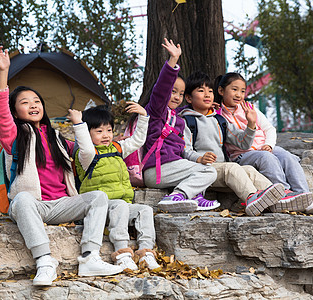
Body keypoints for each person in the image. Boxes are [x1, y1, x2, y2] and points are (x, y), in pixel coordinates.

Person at [0, 44, 122, 285]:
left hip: (62, 204)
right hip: (35, 205)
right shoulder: (14, 136)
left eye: (37, 101)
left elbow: (87, 154)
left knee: (99, 198)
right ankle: (44, 261)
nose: (33, 105)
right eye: (25, 102)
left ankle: (90, 257)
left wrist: (81, 125)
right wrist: (3, 72)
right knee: (21, 200)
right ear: (16, 112)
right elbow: (0, 114)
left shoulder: (58, 138)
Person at [180, 71, 291, 216]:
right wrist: (199, 158)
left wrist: (251, 125)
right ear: (188, 97)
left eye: (210, 91)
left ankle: (282, 198)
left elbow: (243, 143)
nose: (207, 94)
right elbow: (184, 150)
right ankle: (251, 199)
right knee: (232, 168)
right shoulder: (185, 121)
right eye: (201, 91)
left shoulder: (219, 120)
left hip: (223, 170)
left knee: (249, 171)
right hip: (204, 171)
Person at [214, 72, 313, 214]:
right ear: (221, 91)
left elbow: (269, 128)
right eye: (234, 89)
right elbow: (239, 142)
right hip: (243, 155)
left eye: (242, 91)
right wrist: (250, 123)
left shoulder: (250, 108)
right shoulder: (219, 115)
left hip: (263, 148)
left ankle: (305, 196)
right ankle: (284, 195)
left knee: (285, 155)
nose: (239, 94)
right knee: (266, 157)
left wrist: (269, 144)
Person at [72, 105, 160, 271]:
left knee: (145, 210)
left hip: (121, 208)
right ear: (88, 133)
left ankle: (146, 252)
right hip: (100, 210)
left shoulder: (117, 148)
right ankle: (122, 253)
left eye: (109, 130)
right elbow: (85, 145)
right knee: (119, 205)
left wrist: (143, 117)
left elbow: (137, 141)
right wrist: (79, 125)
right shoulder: (86, 155)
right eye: (99, 131)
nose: (105, 135)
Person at [140, 39, 218, 212]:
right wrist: (172, 61)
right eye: (173, 91)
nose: (176, 97)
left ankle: (196, 196)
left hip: (171, 167)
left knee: (204, 167)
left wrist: (208, 107)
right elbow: (161, 90)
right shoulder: (156, 112)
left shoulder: (178, 118)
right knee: (209, 172)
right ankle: (178, 196)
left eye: (181, 94)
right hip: (157, 170)